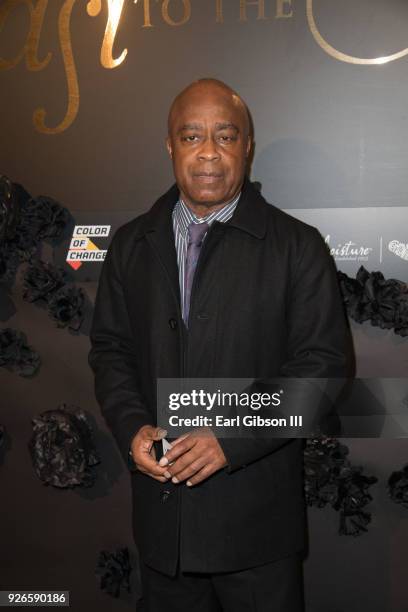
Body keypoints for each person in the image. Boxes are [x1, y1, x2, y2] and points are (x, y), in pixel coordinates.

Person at [89, 78, 351, 611]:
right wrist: (131, 427)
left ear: (246, 147)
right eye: (191, 136)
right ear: (170, 146)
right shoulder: (130, 246)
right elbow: (112, 351)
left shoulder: (296, 247)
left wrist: (229, 438)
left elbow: (323, 370)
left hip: (257, 536)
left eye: (225, 136)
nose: (208, 151)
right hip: (164, 533)